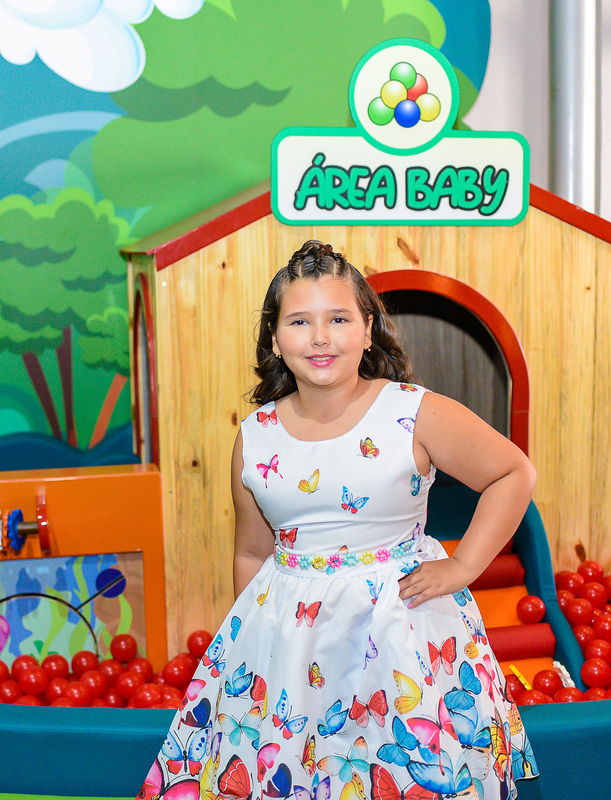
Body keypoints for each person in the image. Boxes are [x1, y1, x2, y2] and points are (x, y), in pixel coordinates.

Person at [137, 240, 539, 800]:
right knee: (299, 773)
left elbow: (512, 473)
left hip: (399, 631)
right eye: (300, 321)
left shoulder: (412, 411)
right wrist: (253, 650)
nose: (320, 337)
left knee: (402, 768)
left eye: (339, 319)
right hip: (294, 647)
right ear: (275, 337)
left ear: (368, 329)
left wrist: (464, 565)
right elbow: (252, 550)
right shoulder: (256, 436)